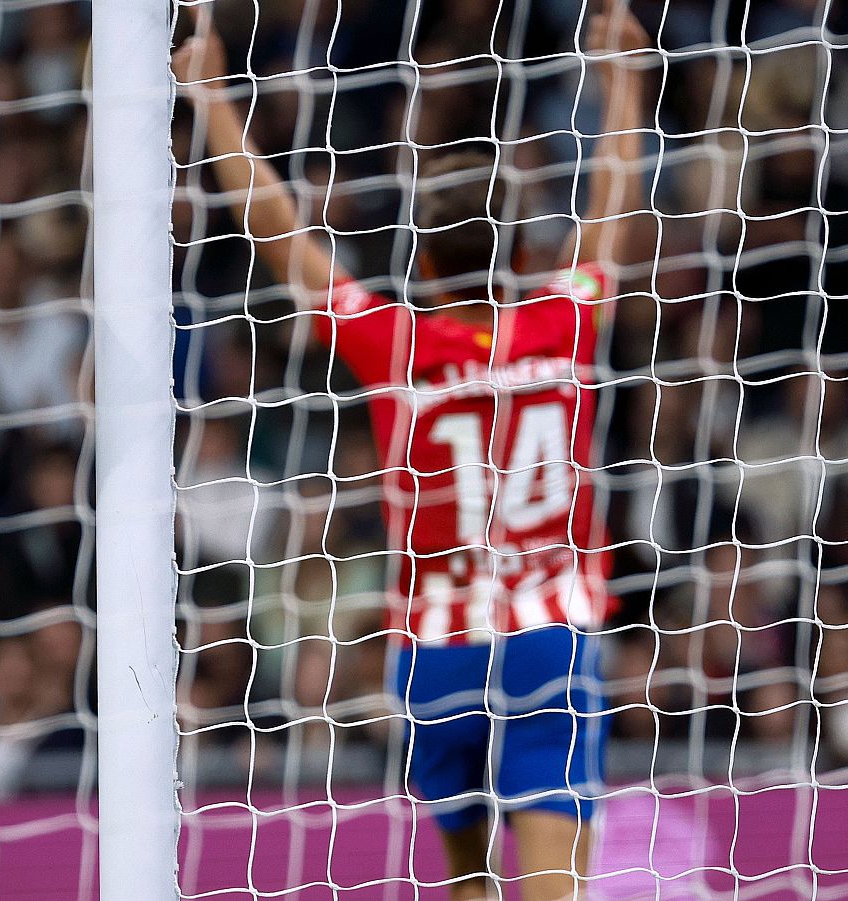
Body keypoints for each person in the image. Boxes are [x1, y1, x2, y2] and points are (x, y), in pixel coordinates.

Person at [174, 2, 648, 897]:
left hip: (438, 646)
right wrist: (622, 76)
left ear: (423, 264)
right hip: (549, 631)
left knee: (465, 883)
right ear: (520, 250)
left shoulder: (392, 343)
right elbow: (614, 206)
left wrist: (208, 96)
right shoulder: (565, 319)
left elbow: (279, 236)